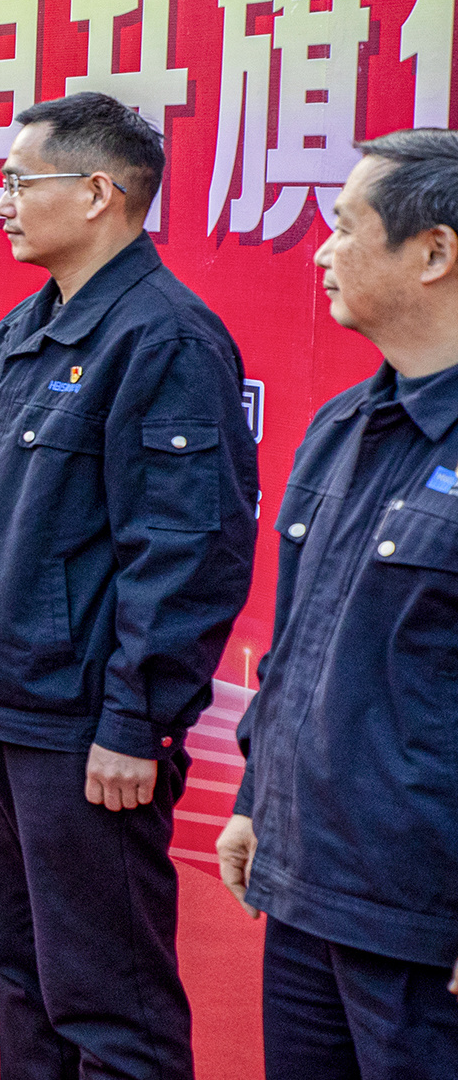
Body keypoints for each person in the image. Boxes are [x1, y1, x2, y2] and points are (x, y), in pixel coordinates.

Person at [0, 93, 258, 1080]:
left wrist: (135, 721)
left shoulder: (164, 342)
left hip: (80, 724)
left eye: (24, 182)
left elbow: (187, 550)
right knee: (17, 961)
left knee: (109, 994)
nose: (5, 202)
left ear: (102, 192)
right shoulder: (29, 327)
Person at [221, 127, 458, 1076]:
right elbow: (297, 648)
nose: (320, 250)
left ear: (435, 251)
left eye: (348, 227)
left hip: (421, 915)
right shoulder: (344, 425)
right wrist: (253, 801)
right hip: (311, 880)